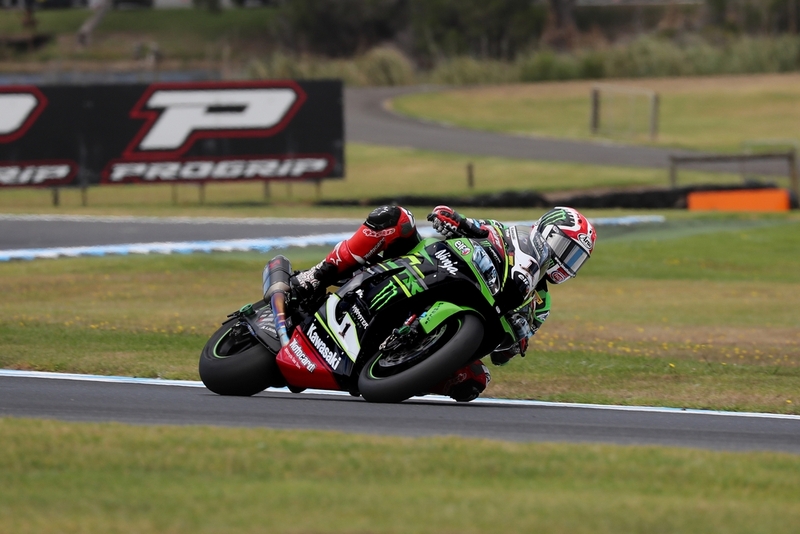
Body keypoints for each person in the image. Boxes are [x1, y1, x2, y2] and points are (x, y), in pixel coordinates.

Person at [291, 204, 596, 402]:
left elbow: (505, 354)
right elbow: (473, 226)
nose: (567, 263)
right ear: (548, 232)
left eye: (576, 260)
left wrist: (516, 344)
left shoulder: (542, 304)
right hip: (433, 266)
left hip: (475, 316)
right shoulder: (510, 234)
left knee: (473, 382)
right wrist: (452, 218)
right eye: (566, 250)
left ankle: (400, 370)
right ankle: (317, 275)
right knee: (395, 218)